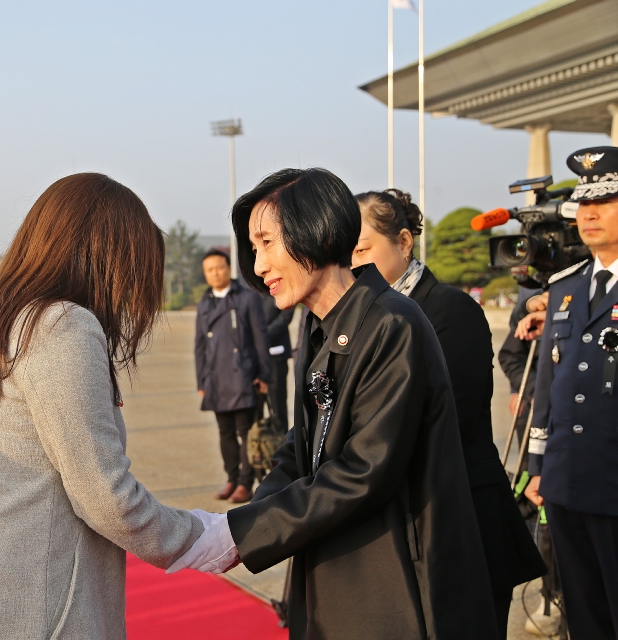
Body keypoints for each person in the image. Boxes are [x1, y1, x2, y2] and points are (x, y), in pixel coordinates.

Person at [170, 168, 499, 639]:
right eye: (254, 248)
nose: (258, 266)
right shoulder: (321, 323)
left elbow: (365, 470)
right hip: (338, 573)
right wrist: (243, 525)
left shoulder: (391, 325)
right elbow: (300, 447)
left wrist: (244, 533)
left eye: (267, 243)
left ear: (319, 231)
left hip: (398, 588)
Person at [0, 173, 204, 639]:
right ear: (100, 254)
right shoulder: (61, 326)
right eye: (132, 267)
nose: (132, 291)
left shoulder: (6, 317)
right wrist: (204, 538)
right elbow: (104, 496)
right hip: (32, 609)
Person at [352, 188, 546, 639]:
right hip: (398, 520)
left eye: (362, 249)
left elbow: (441, 421)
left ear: (403, 242)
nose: (353, 263)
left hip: (459, 522)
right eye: (345, 254)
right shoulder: (359, 315)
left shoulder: (450, 310)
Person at [516, 146, 618, 640]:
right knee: (582, 615)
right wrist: (538, 468)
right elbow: (548, 389)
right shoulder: (565, 288)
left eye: (607, 201)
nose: (590, 214)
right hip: (565, 481)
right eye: (584, 203)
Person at [195, 249, 271, 503]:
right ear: (205, 274)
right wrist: (201, 380)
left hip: (243, 377)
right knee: (224, 432)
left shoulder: (247, 299)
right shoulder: (205, 304)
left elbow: (261, 339)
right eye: (210, 270)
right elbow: (200, 346)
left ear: (229, 269)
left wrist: (264, 374)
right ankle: (232, 478)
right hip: (216, 379)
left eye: (219, 267)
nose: (215, 273)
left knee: (245, 433)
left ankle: (245, 484)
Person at [262, 293, 294, 425]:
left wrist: (262, 336)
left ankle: (283, 441)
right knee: (254, 406)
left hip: (276, 354)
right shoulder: (246, 286)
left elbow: (285, 316)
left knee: (277, 402)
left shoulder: (277, 285)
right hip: (253, 357)